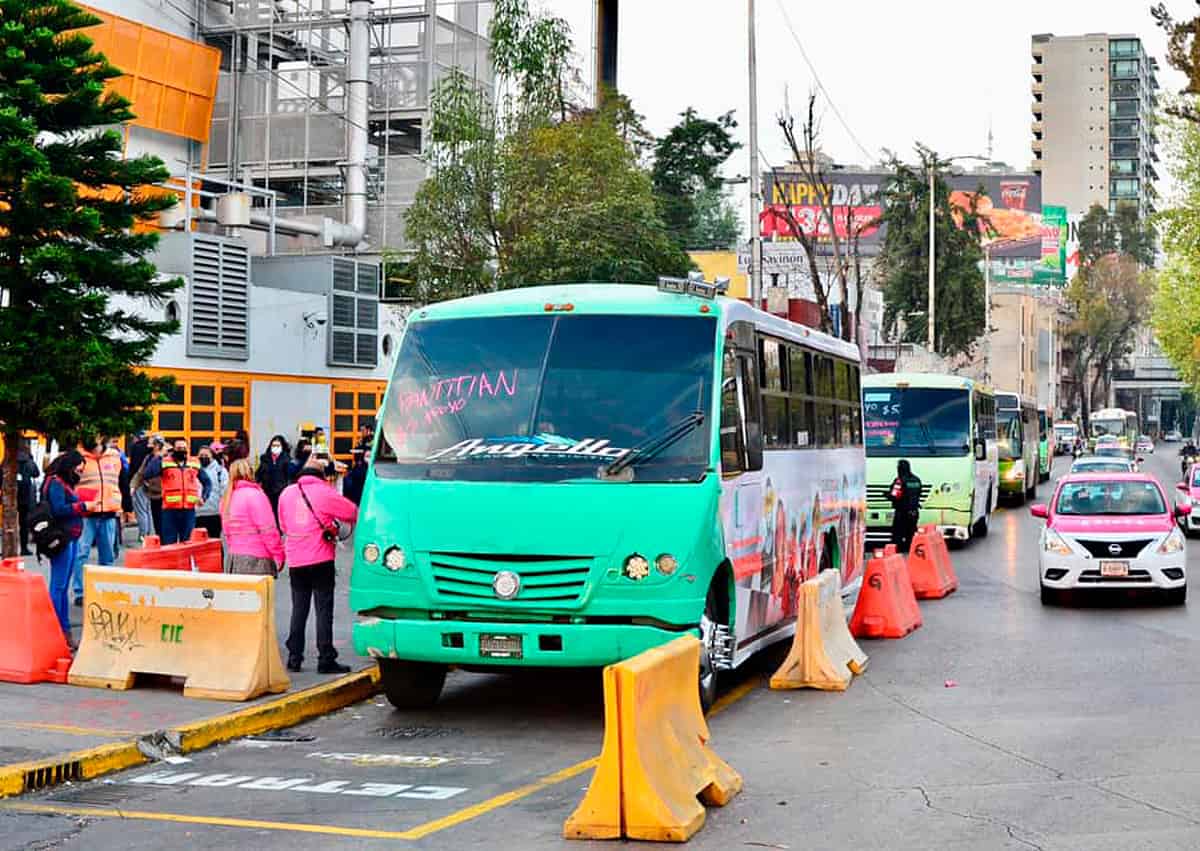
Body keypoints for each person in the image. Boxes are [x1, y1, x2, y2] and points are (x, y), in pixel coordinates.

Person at [278, 455, 358, 674]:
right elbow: (352, 512)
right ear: (321, 476)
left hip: (296, 560)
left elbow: (283, 524)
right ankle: (325, 658)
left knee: (299, 609)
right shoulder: (325, 491)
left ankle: (294, 657)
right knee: (323, 610)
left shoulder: (286, 494)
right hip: (321, 559)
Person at [72, 436, 123, 606]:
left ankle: (105, 589)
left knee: (107, 555)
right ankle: (80, 592)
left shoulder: (115, 456)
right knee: (81, 553)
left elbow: (121, 480)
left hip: (108, 511)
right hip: (86, 512)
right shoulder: (78, 457)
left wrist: (123, 506)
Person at [43, 451, 87, 643]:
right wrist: (82, 506)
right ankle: (58, 628)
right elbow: (58, 510)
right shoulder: (56, 483)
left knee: (62, 586)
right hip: (62, 538)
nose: (81, 472)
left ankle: (64, 627)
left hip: (70, 537)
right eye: (79, 468)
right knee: (59, 586)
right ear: (70, 466)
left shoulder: (63, 483)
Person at [141, 439, 212, 545]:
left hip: (188, 510)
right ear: (173, 450)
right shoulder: (165, 462)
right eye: (179, 448)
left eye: (184, 448)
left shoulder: (194, 463)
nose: (182, 451)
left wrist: (204, 497)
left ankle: (184, 562)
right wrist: (159, 456)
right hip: (169, 511)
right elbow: (147, 474)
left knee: (187, 543)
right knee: (169, 543)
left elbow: (207, 482)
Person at [222, 459, 284, 576]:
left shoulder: (227, 498)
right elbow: (268, 529)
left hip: (234, 559)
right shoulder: (256, 495)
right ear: (251, 473)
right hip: (257, 559)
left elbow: (227, 532)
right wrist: (278, 554)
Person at [3, 441, 41, 555]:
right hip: (25, 496)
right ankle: (24, 547)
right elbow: (36, 473)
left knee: (8, 522)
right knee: (24, 523)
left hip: (10, 496)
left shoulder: (8, 459)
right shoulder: (29, 461)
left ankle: (8, 547)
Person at [887, 459, 923, 554]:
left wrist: (886, 494)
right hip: (914, 512)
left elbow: (894, 495)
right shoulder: (916, 480)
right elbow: (919, 493)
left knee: (897, 535)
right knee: (910, 534)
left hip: (902, 512)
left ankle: (896, 554)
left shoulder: (900, 481)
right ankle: (910, 552)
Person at [195, 443, 228, 539]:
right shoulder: (193, 470)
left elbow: (225, 491)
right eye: (201, 456)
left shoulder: (220, 471)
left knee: (214, 541)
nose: (203, 458)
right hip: (197, 514)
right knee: (198, 544)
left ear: (212, 456)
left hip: (214, 513)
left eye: (206, 456)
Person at [256, 434, 292, 519]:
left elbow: (289, 476)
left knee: (279, 516)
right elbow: (259, 474)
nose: (275, 447)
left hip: (280, 492)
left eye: (278, 445)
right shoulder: (265, 458)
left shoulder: (286, 459)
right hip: (267, 491)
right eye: (273, 445)